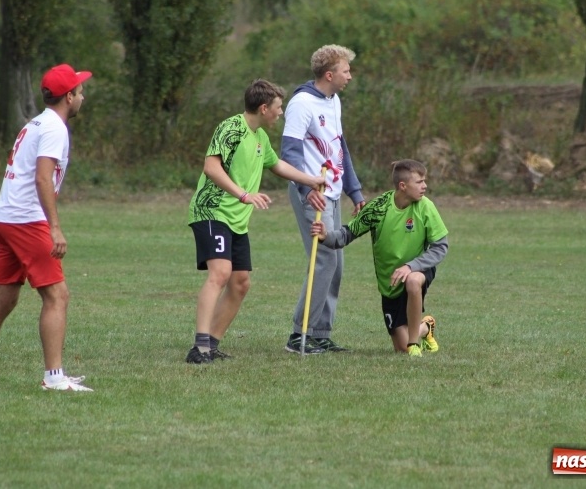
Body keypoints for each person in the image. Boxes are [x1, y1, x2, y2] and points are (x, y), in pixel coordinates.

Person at [0, 64, 93, 391]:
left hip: (5, 216)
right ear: (68, 97)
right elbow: (42, 177)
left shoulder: (36, 123)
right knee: (57, 296)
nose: (83, 96)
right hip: (25, 219)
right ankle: (54, 378)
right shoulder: (55, 129)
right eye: (79, 91)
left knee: (4, 298)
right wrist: (54, 228)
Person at [186, 79, 326, 364]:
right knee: (221, 274)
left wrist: (310, 180)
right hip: (212, 211)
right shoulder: (231, 128)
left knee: (240, 282)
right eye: (278, 107)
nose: (281, 112)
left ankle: (212, 344)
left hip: (237, 219)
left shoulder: (260, 137)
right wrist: (244, 195)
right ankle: (198, 348)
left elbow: (277, 165)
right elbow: (211, 167)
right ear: (264, 108)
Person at [311, 159, 448, 357]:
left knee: (412, 281)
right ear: (403, 186)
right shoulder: (379, 208)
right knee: (399, 348)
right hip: (389, 282)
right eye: (419, 182)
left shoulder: (426, 207)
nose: (425, 186)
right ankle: (425, 327)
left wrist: (411, 266)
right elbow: (348, 233)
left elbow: (440, 247)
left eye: (424, 181)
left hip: (419, 268)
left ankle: (414, 345)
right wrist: (326, 236)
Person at [281, 44, 365, 354]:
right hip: (312, 195)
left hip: (332, 194)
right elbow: (289, 154)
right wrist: (306, 191)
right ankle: (299, 336)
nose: (350, 76)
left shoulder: (334, 100)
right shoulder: (301, 104)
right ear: (329, 74)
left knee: (336, 263)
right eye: (346, 71)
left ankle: (319, 333)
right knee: (324, 260)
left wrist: (354, 191)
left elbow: (339, 148)